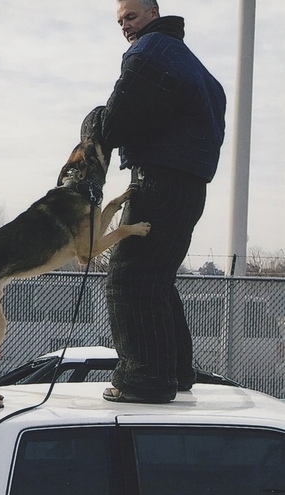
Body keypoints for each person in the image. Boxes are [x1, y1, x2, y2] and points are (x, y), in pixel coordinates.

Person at [83, 0, 226, 402]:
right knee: (157, 281)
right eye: (120, 21)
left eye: (131, 16)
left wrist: (93, 124)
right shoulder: (195, 67)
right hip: (189, 187)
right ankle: (176, 371)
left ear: (153, 13)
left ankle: (146, 379)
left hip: (158, 182)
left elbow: (119, 121)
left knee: (130, 279)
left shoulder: (148, 53)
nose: (125, 26)